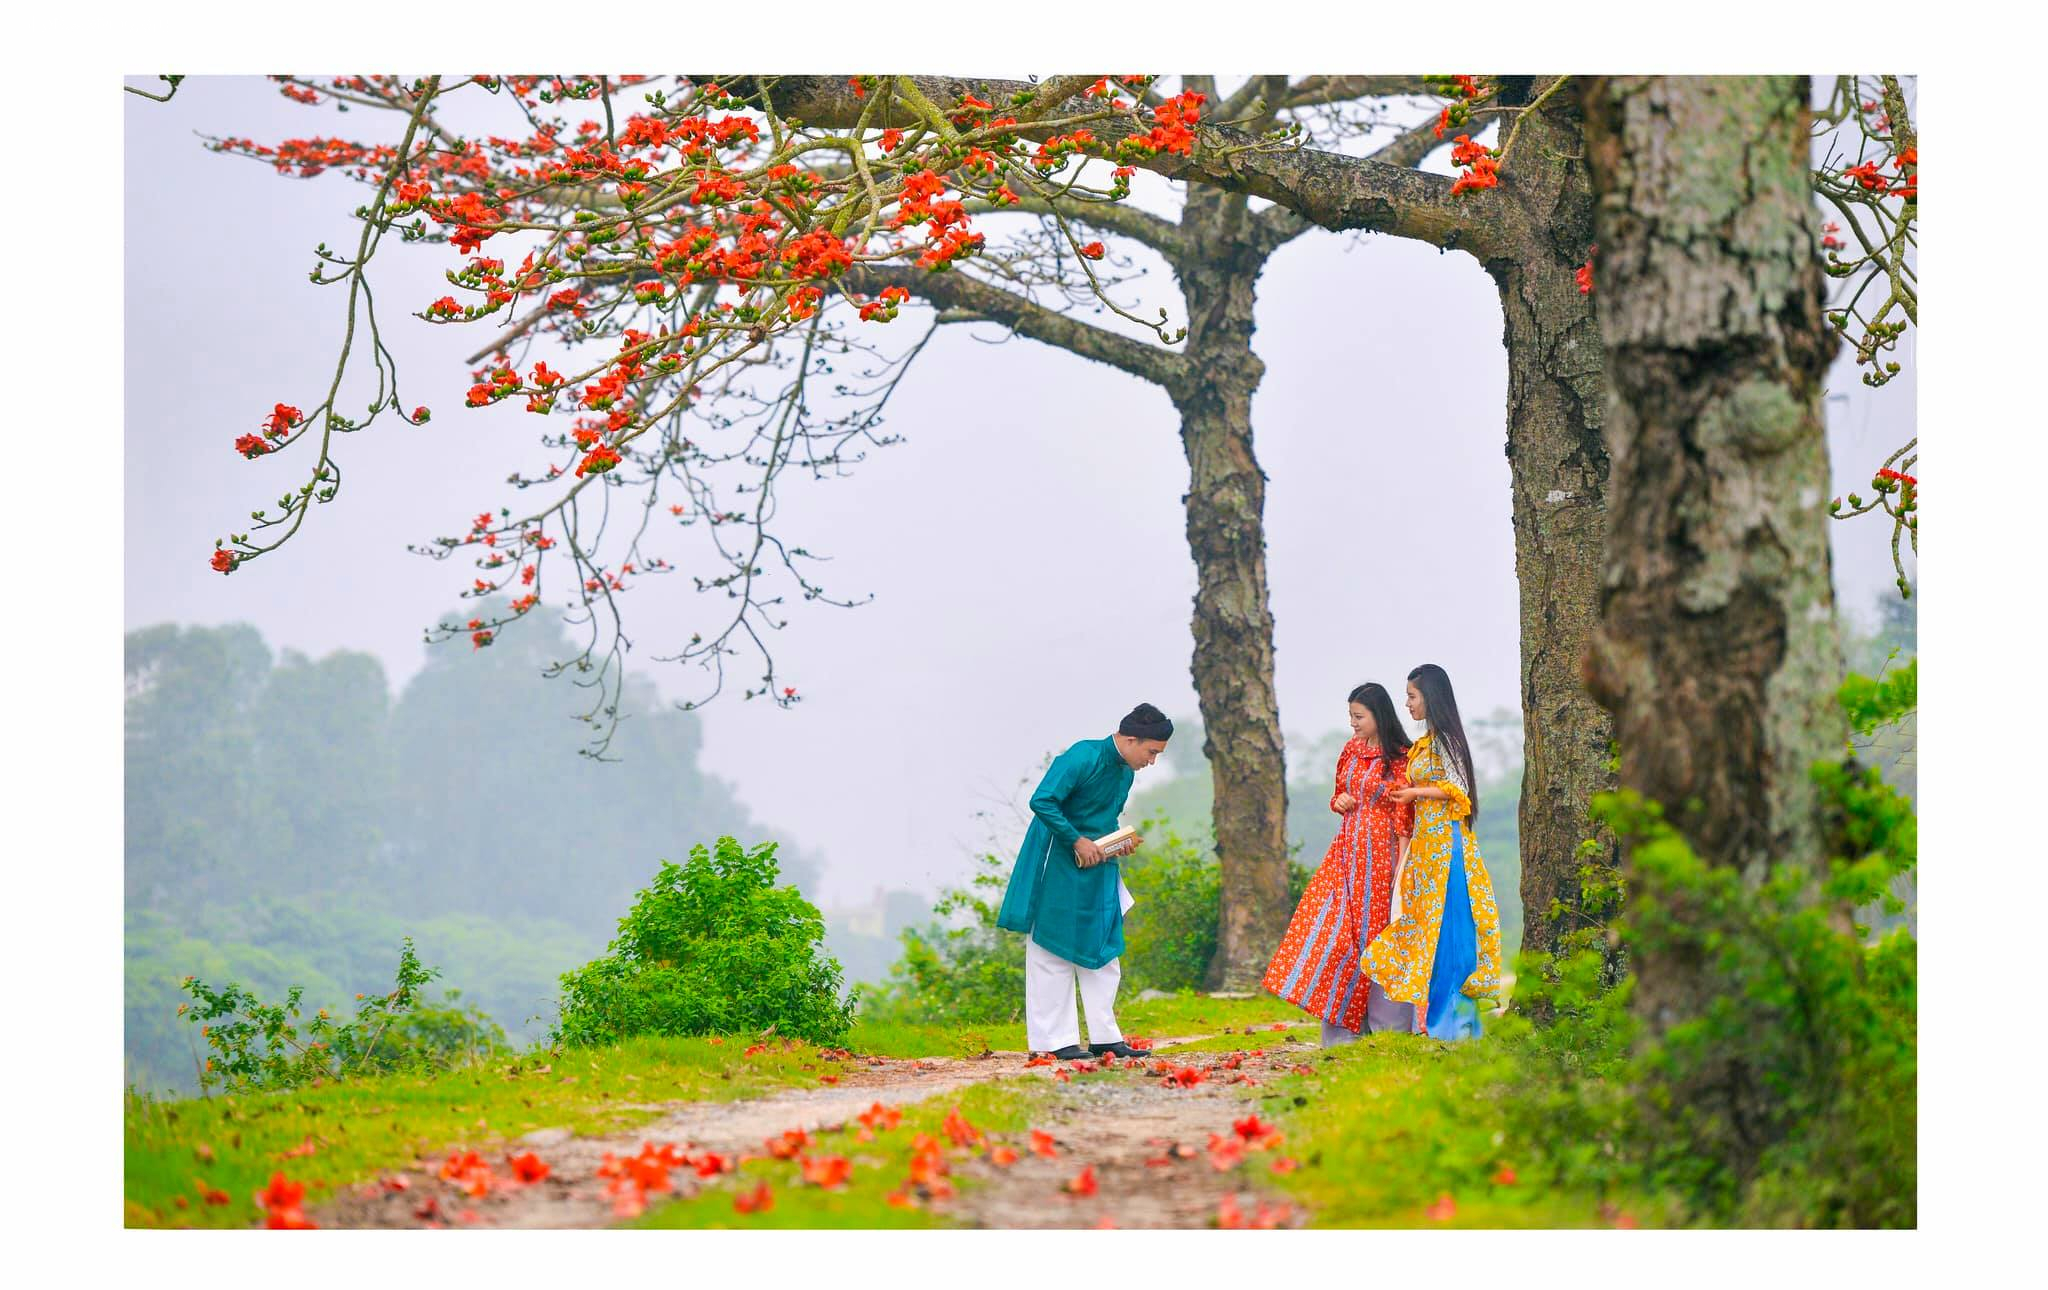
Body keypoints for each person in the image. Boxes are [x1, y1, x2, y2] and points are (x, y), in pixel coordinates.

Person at [996, 702, 1172, 1062]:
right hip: (1059, 859)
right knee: (1051, 947)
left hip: (1099, 865)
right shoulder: (1082, 756)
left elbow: (1106, 817)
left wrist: (1115, 843)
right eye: (1151, 752)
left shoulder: (1126, 772)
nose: (1152, 761)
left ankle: (1106, 1037)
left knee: (1105, 944)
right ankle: (1053, 1040)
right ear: (1130, 739)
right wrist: (1076, 839)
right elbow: (1042, 800)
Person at [1263, 683, 1418, 1045]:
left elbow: (1404, 812)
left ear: (1379, 716)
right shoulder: (1351, 749)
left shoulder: (1400, 756)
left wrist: (1401, 863)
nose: (1352, 723)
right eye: (1350, 716)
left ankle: (1388, 1029)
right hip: (1347, 853)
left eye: (1358, 716)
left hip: (1383, 856)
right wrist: (1341, 800)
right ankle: (1342, 1029)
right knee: (1337, 934)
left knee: (1380, 936)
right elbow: (1337, 793)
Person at [1363, 664, 1504, 1041]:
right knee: (1431, 931)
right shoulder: (1426, 743)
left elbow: (1458, 789)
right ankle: (1440, 1023)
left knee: (1453, 931)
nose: (1406, 704)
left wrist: (1414, 793)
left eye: (1412, 696)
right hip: (1427, 847)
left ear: (1431, 697)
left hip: (1449, 846)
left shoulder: (1446, 741)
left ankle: (1457, 1024)